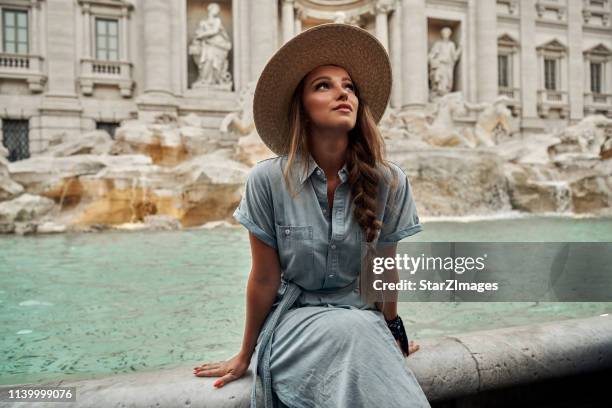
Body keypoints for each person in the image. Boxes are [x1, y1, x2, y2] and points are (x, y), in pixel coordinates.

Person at [193, 23, 430, 408]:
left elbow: (382, 271)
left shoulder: (390, 181)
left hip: (361, 322)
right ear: (301, 105)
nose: (343, 93)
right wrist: (244, 355)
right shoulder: (267, 179)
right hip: (293, 325)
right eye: (324, 85)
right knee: (353, 331)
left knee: (357, 329)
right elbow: (265, 278)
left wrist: (393, 332)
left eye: (349, 86)